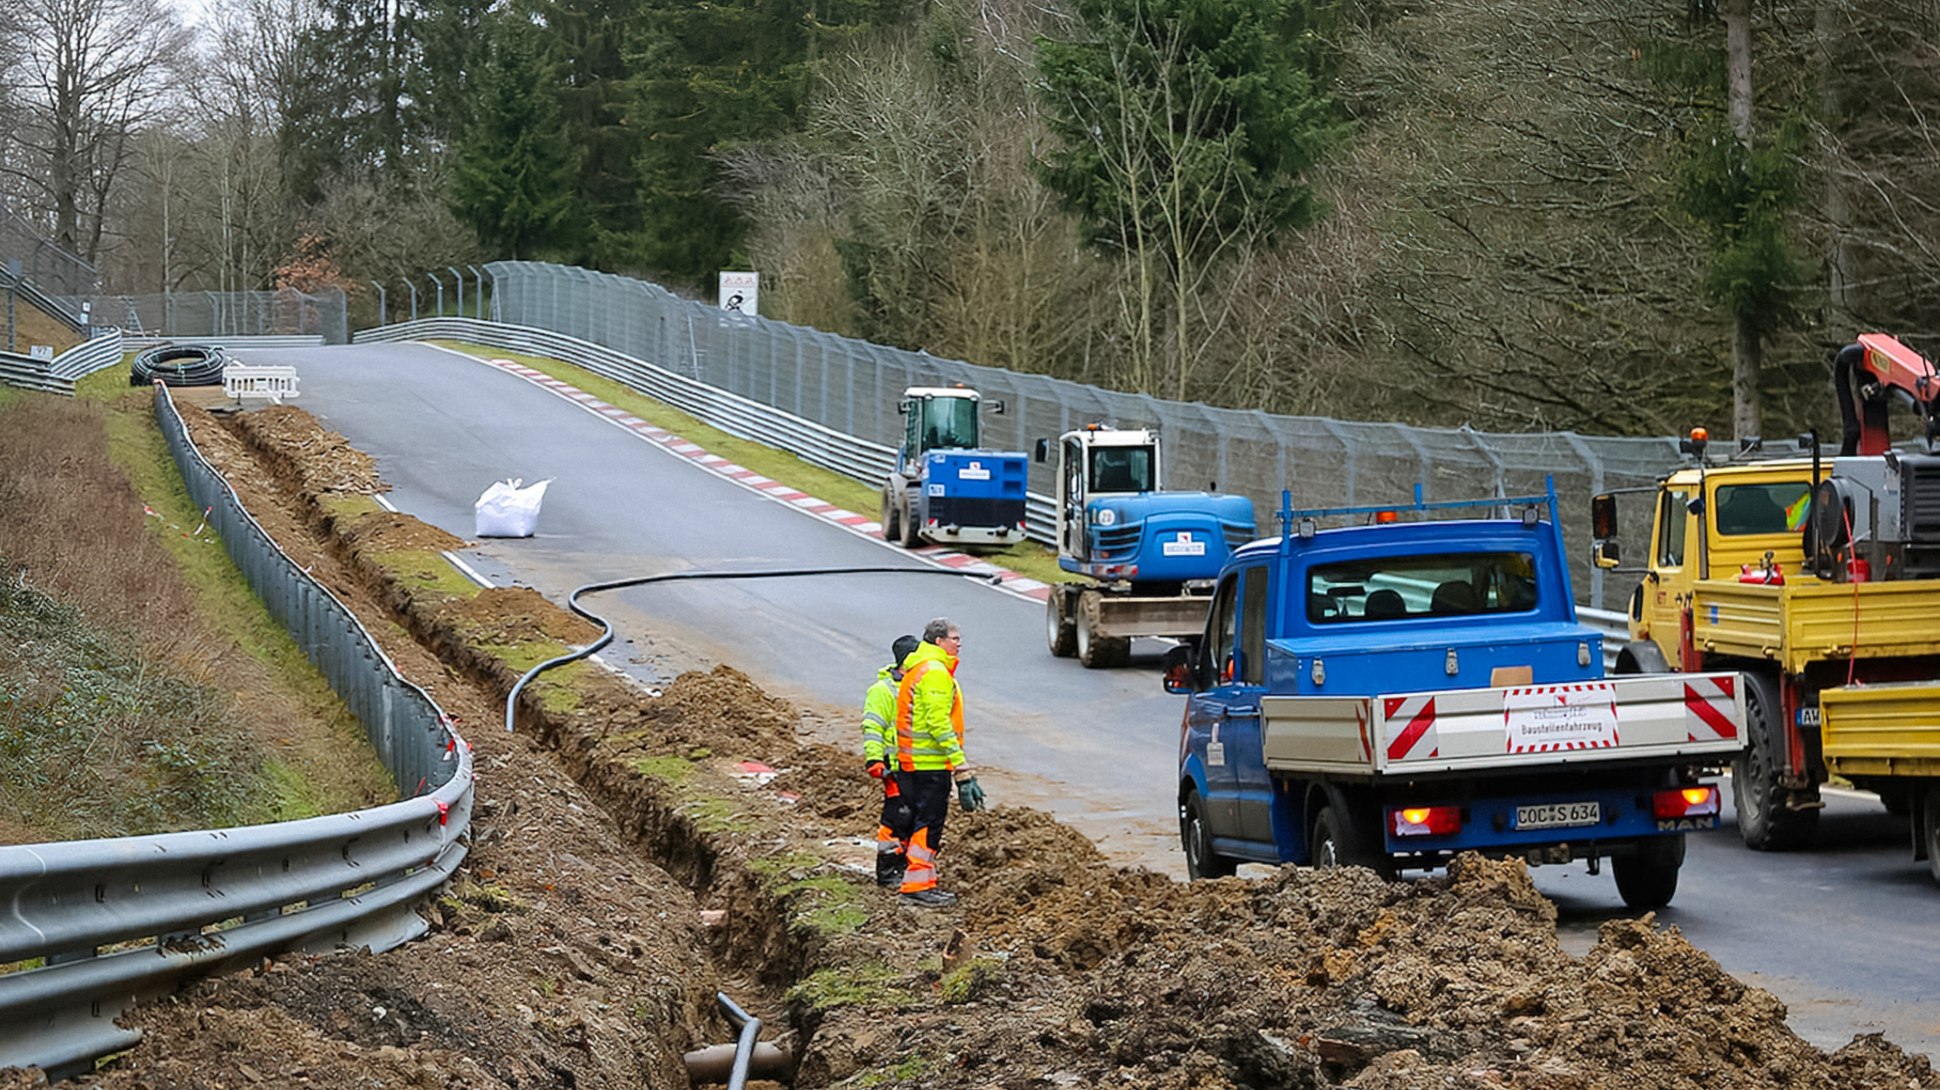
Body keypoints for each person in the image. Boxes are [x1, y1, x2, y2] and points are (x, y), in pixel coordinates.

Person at [892, 617, 986, 908]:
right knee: (927, 823)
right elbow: (938, 722)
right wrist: (961, 765)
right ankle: (917, 886)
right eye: (954, 637)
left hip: (917, 762)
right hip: (928, 764)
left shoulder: (922, 667)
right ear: (938, 641)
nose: (959, 643)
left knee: (923, 822)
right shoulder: (935, 672)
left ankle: (923, 881)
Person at [862, 634, 923, 888]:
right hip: (895, 767)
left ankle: (908, 867)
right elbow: (873, 727)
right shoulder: (883, 691)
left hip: (918, 767)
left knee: (916, 818)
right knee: (897, 818)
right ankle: (888, 872)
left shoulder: (919, 686)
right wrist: (875, 760)